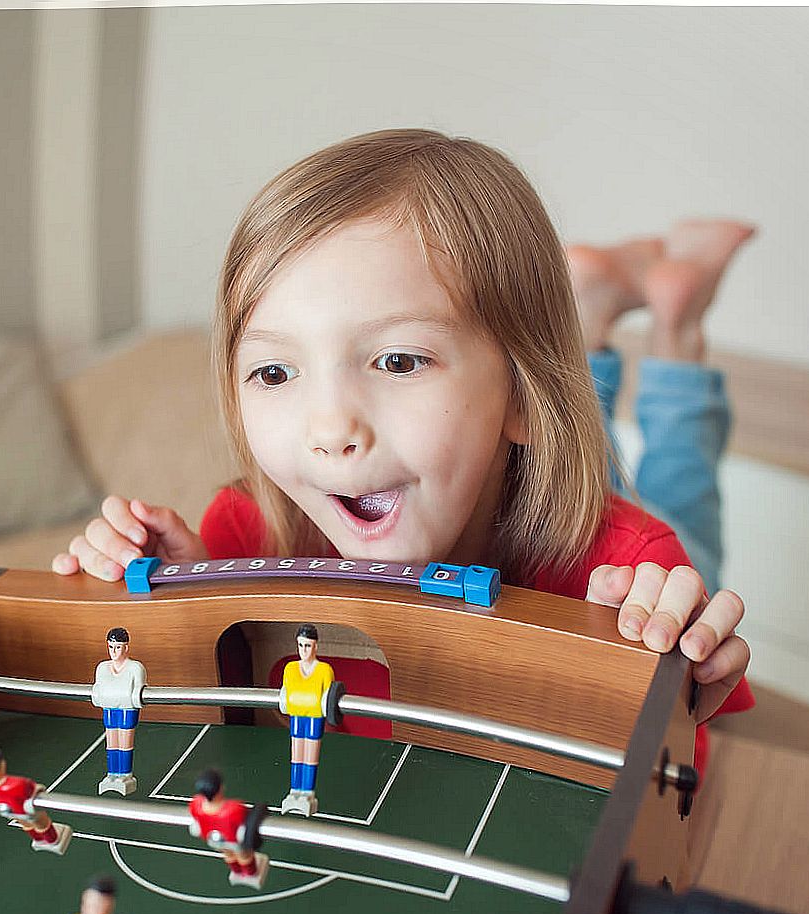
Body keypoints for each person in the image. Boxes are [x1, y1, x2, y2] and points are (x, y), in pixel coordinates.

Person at [53, 130, 753, 774]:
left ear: (520, 395)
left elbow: (671, 781)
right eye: (274, 372)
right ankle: (591, 308)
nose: (330, 428)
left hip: (597, 526)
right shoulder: (241, 533)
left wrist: (674, 669)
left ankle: (677, 327)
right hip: (501, 456)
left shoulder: (631, 569)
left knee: (680, 493)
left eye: (397, 360)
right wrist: (191, 603)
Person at [568, 219, 757, 594]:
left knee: (589, 488)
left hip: (582, 548)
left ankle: (648, 325)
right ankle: (667, 329)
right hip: (646, 579)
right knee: (674, 521)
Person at [0, 745, 73, 854]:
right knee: (42, 823)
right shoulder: (17, 784)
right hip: (24, 811)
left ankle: (38, 839)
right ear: (0, 765)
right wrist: (40, 788)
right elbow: (33, 789)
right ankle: (52, 840)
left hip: (7, 811)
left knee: (26, 824)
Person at [277, 625, 334, 816]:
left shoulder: (324, 670)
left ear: (315, 647)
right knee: (297, 754)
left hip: (314, 717)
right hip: (297, 715)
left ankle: (307, 792)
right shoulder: (290, 668)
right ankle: (295, 791)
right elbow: (285, 693)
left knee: (310, 755)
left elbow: (327, 696)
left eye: (308, 646)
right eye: (300, 645)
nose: (303, 650)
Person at [188, 769, 269, 888]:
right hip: (234, 841)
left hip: (214, 841)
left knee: (228, 854)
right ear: (220, 788)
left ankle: (237, 871)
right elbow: (245, 819)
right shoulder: (234, 808)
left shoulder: (195, 805)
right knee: (244, 856)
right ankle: (250, 873)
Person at [90, 628, 146, 796]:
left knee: (125, 743)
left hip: (126, 709)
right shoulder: (102, 668)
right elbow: (97, 690)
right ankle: (112, 774)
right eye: (111, 647)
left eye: (118, 647)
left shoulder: (135, 668)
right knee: (112, 742)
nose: (114, 651)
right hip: (109, 708)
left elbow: (138, 692)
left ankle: (125, 774)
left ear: (126, 648)